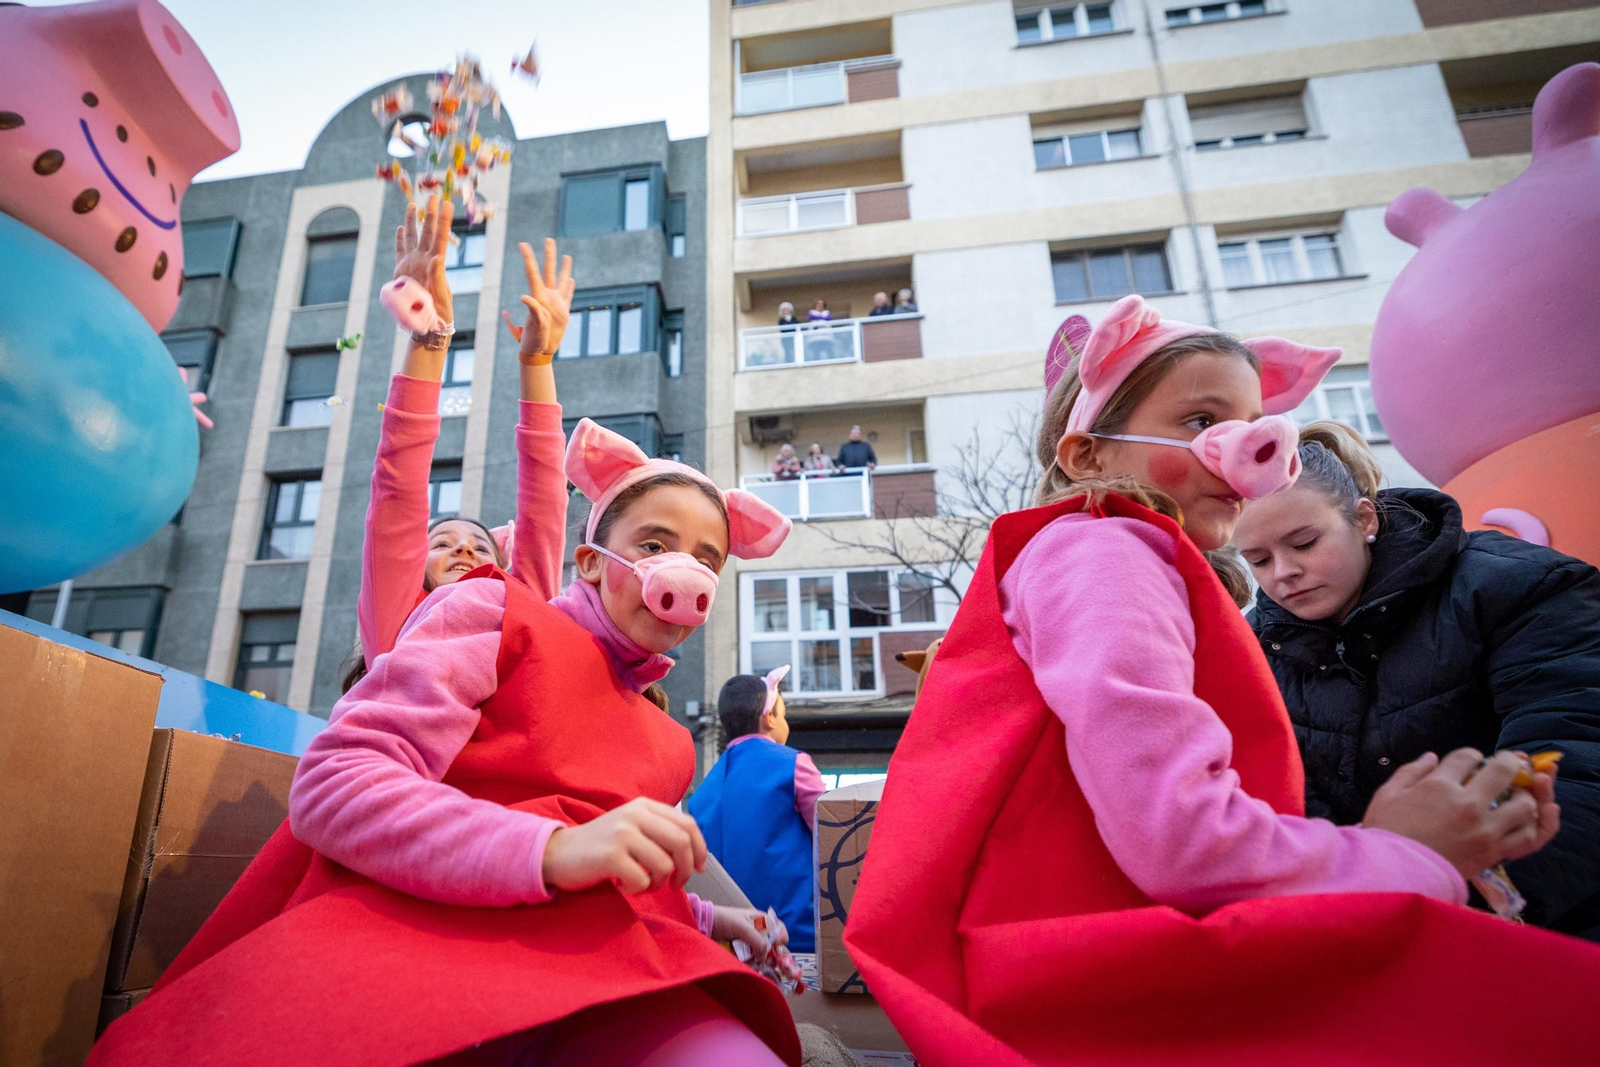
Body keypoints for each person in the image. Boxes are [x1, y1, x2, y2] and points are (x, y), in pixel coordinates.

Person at [844, 295, 1600, 1067]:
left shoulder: (1104, 557)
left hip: (1078, 974)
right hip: (1094, 983)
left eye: (1249, 423)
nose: (1244, 450)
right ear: (1088, 455)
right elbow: (1182, 836)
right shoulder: (1110, 554)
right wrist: (1402, 852)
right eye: (1202, 422)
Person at [89, 419, 801, 1066]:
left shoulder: (670, 738)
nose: (684, 573)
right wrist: (548, 848)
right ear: (588, 562)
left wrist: (711, 914)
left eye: (708, 560)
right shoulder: (493, 611)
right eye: (653, 543)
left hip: (601, 976)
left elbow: (607, 877)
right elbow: (335, 783)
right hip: (416, 949)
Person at [1236, 420, 1600, 940]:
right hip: (1386, 923)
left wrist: (1467, 909)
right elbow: (1289, 800)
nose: (1283, 573)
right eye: (1258, 560)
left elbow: (1578, 762)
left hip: (1553, 921)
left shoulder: (1518, 588)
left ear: (1364, 519)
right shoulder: (1255, 645)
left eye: (1305, 543)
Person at [347, 195, 573, 690]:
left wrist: (537, 363)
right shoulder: (398, 623)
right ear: (413, 568)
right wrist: (431, 339)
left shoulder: (523, 611)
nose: (464, 551)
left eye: (479, 547)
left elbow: (545, 509)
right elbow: (399, 486)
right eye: (442, 543)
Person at [688, 665, 824, 954]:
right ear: (769, 717)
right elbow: (832, 840)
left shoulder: (702, 793)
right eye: (783, 714)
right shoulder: (793, 764)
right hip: (799, 931)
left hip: (734, 941)